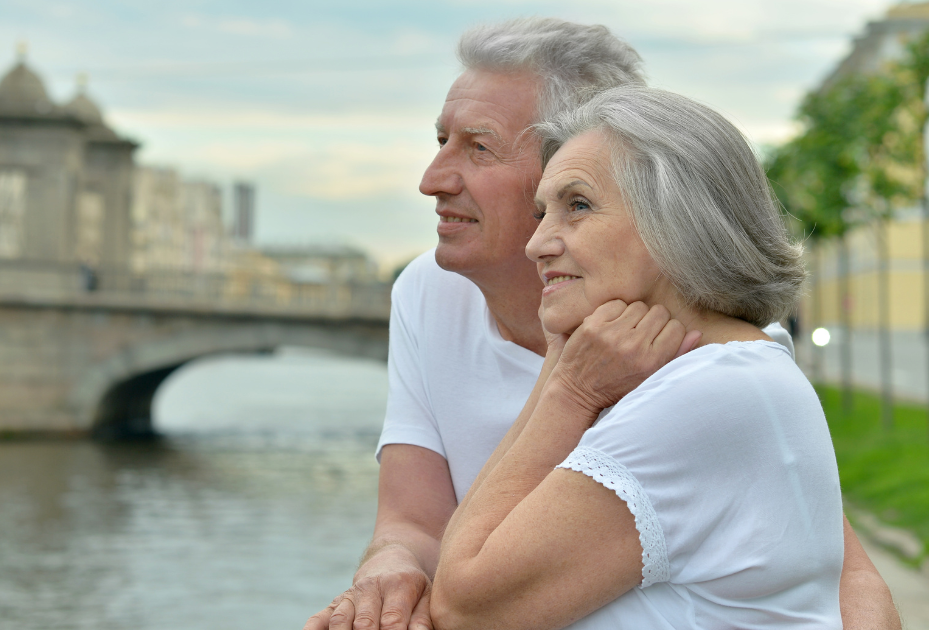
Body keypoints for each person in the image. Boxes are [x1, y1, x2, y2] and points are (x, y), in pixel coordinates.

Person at [305, 17, 900, 630]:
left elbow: (835, 562)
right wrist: (388, 576)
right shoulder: (428, 294)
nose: (433, 180)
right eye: (441, 141)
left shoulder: (706, 361)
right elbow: (416, 521)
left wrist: (570, 387)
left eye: (479, 146)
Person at [433, 84, 842, 628]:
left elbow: (465, 605)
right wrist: (564, 353)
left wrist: (570, 390)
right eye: (542, 213)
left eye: (577, 205)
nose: (538, 244)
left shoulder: (711, 393)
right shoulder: (724, 369)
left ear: (675, 221)